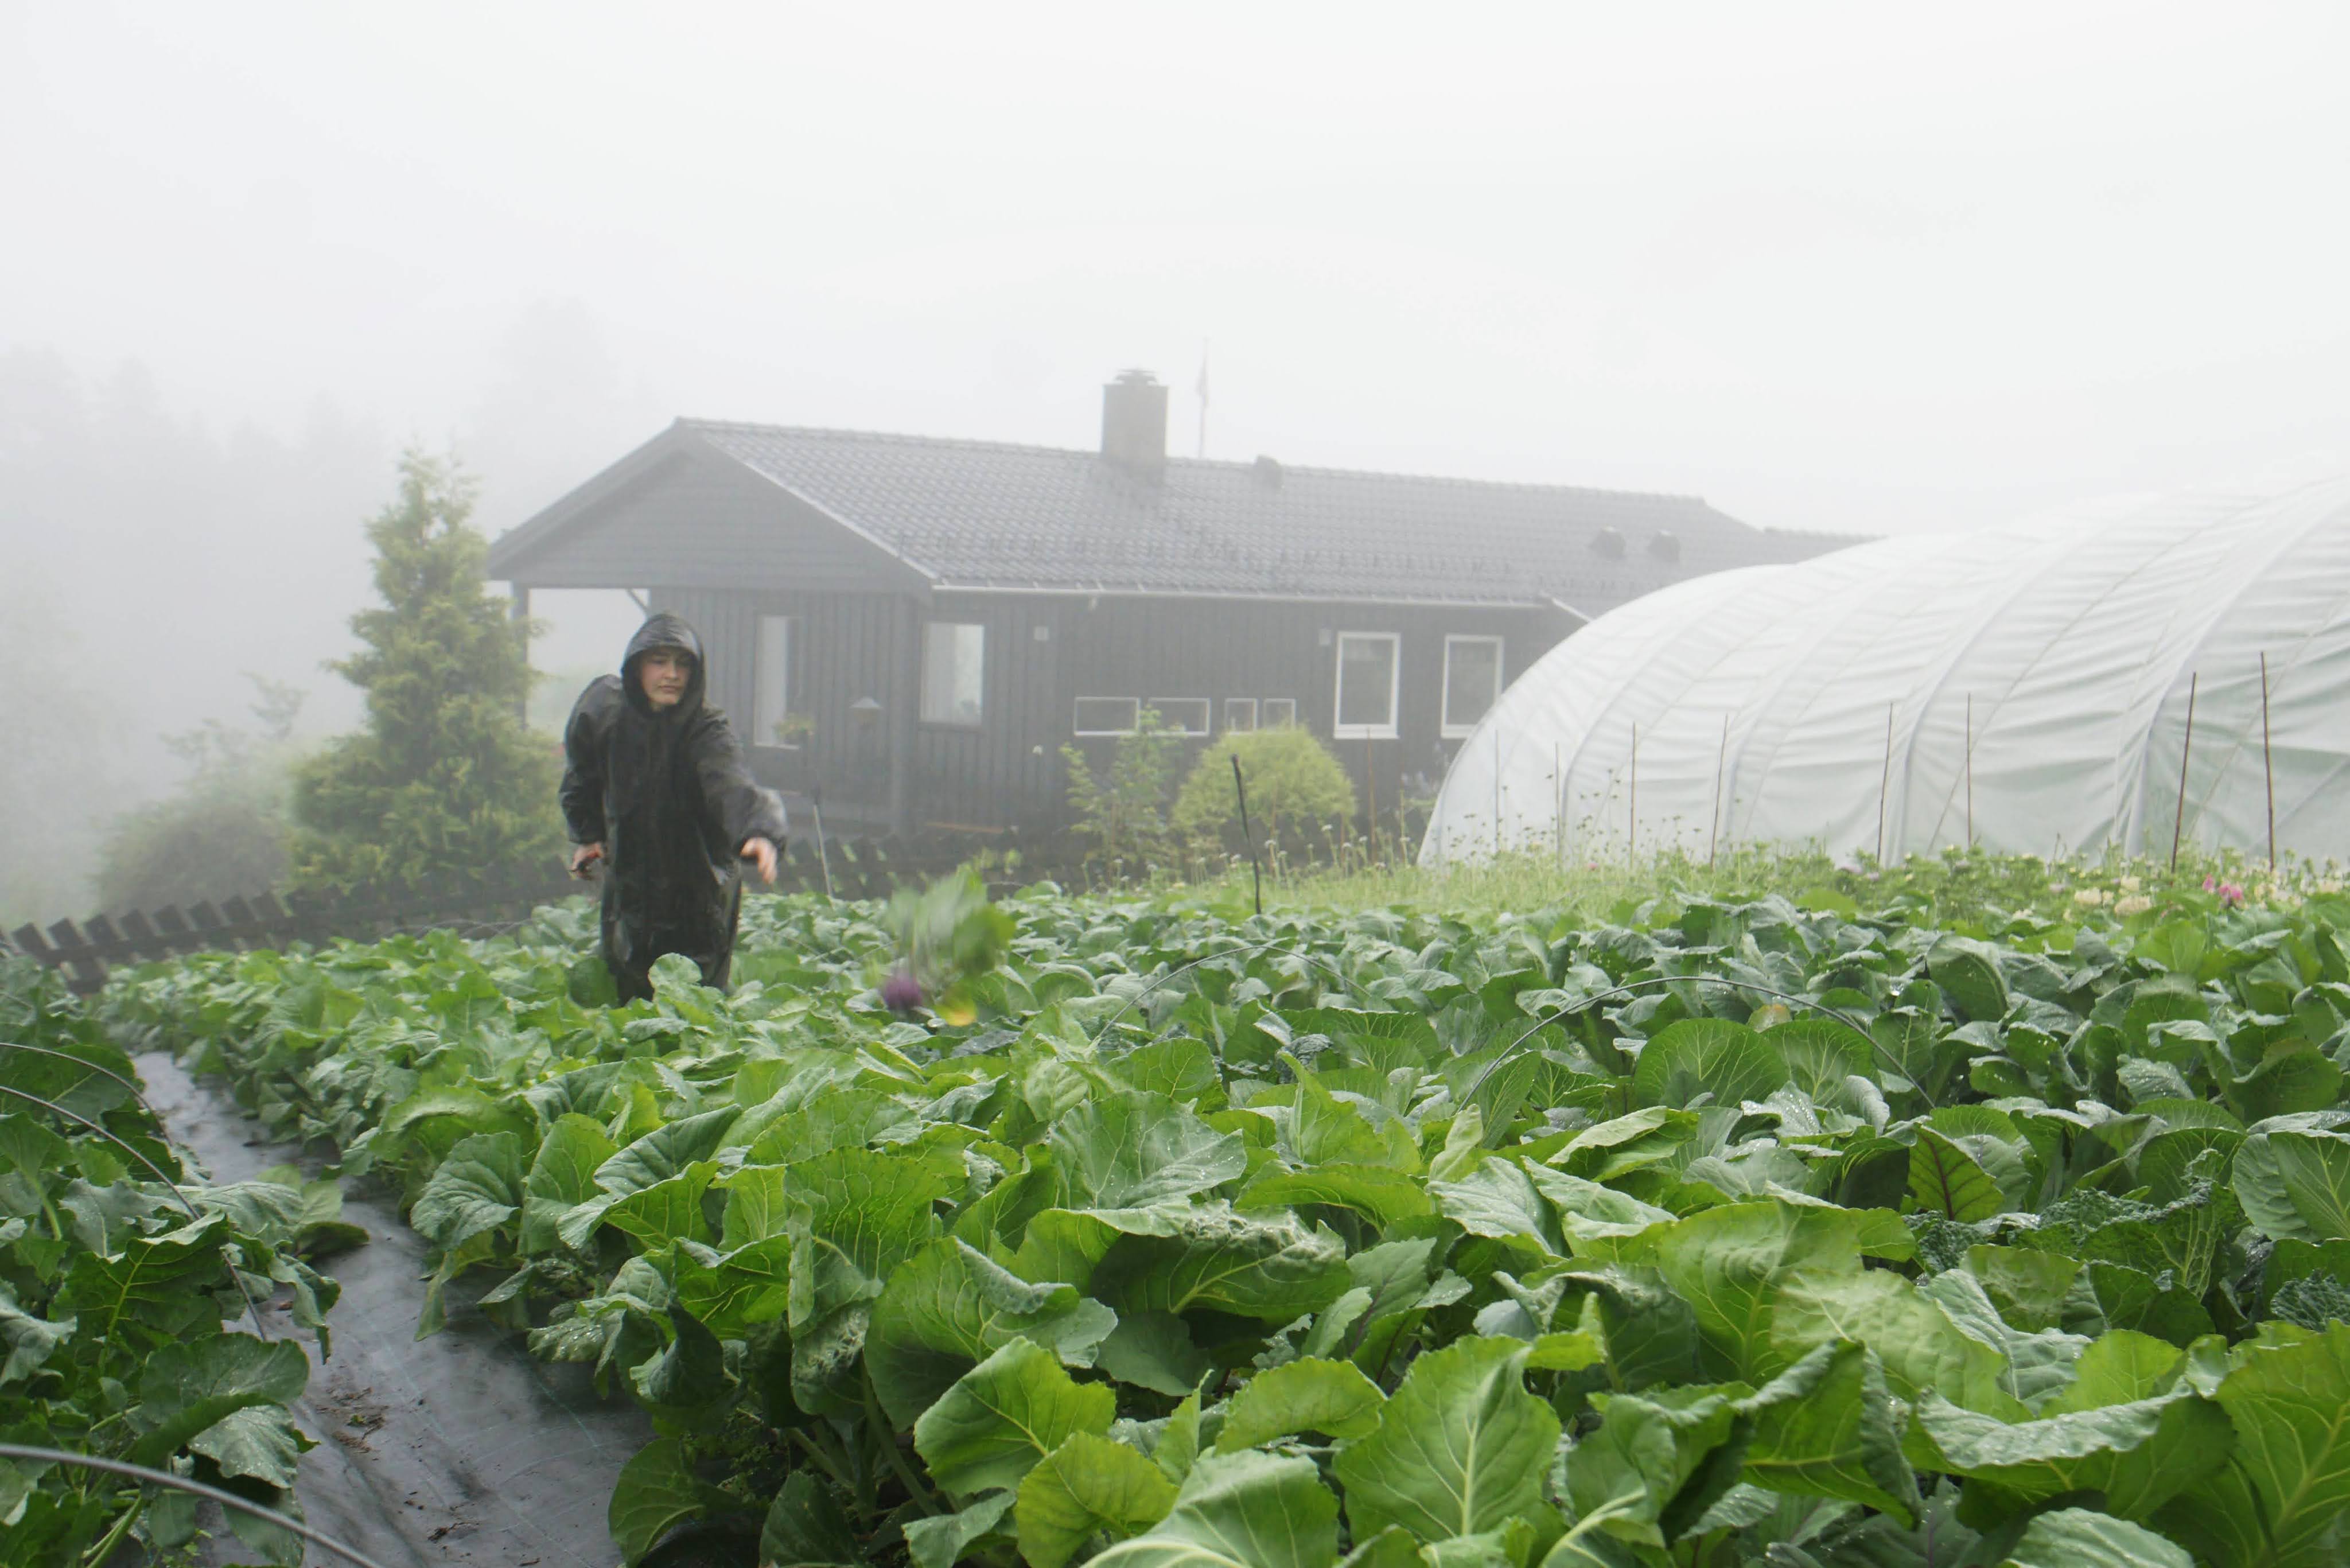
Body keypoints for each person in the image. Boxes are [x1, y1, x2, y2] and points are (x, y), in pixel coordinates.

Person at [560, 613, 787, 1001]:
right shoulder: (605, 714)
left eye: (683, 663)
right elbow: (583, 774)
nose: (672, 674)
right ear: (636, 667)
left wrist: (758, 831)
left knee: (694, 1009)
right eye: (659, 661)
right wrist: (589, 835)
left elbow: (729, 782)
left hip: (699, 892)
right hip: (630, 884)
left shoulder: (705, 728)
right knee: (626, 1006)